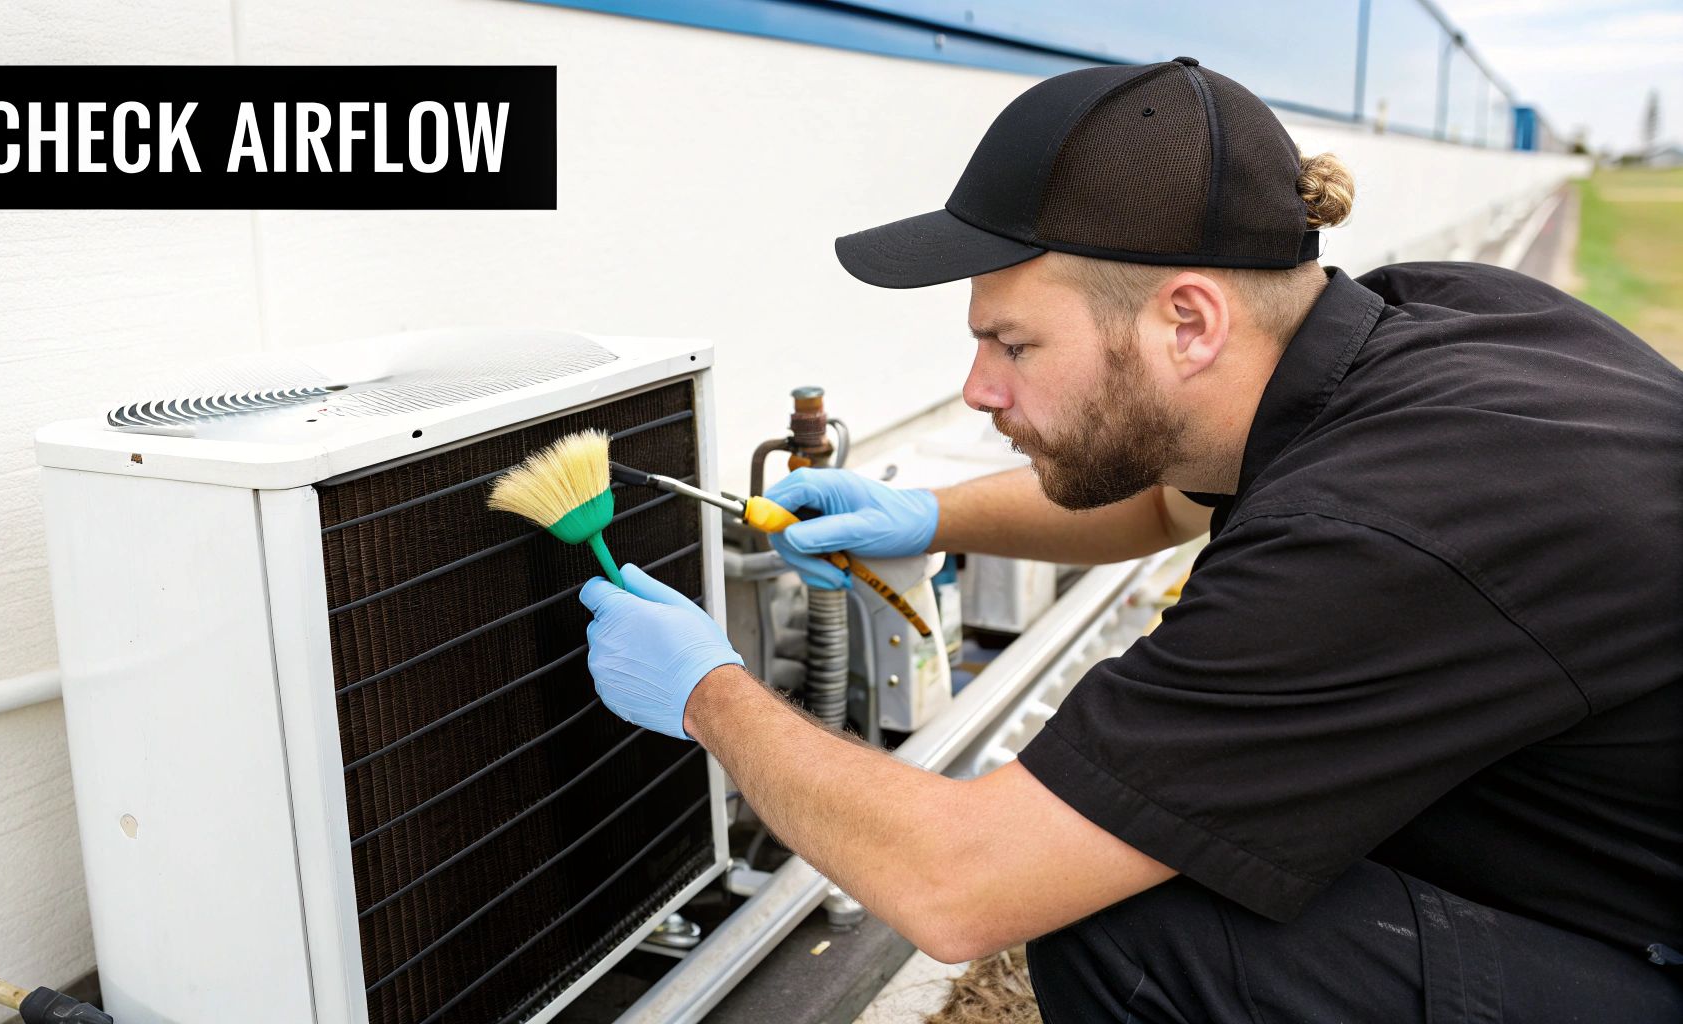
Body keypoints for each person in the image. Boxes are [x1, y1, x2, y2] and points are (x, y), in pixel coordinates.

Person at [578, 57, 1683, 1022]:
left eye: (1011, 343)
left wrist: (706, 693)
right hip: (1612, 865)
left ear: (1187, 320)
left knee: (1135, 930)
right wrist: (927, 513)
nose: (975, 388)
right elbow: (1175, 501)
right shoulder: (1431, 322)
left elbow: (957, 885)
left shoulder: (1373, 538)